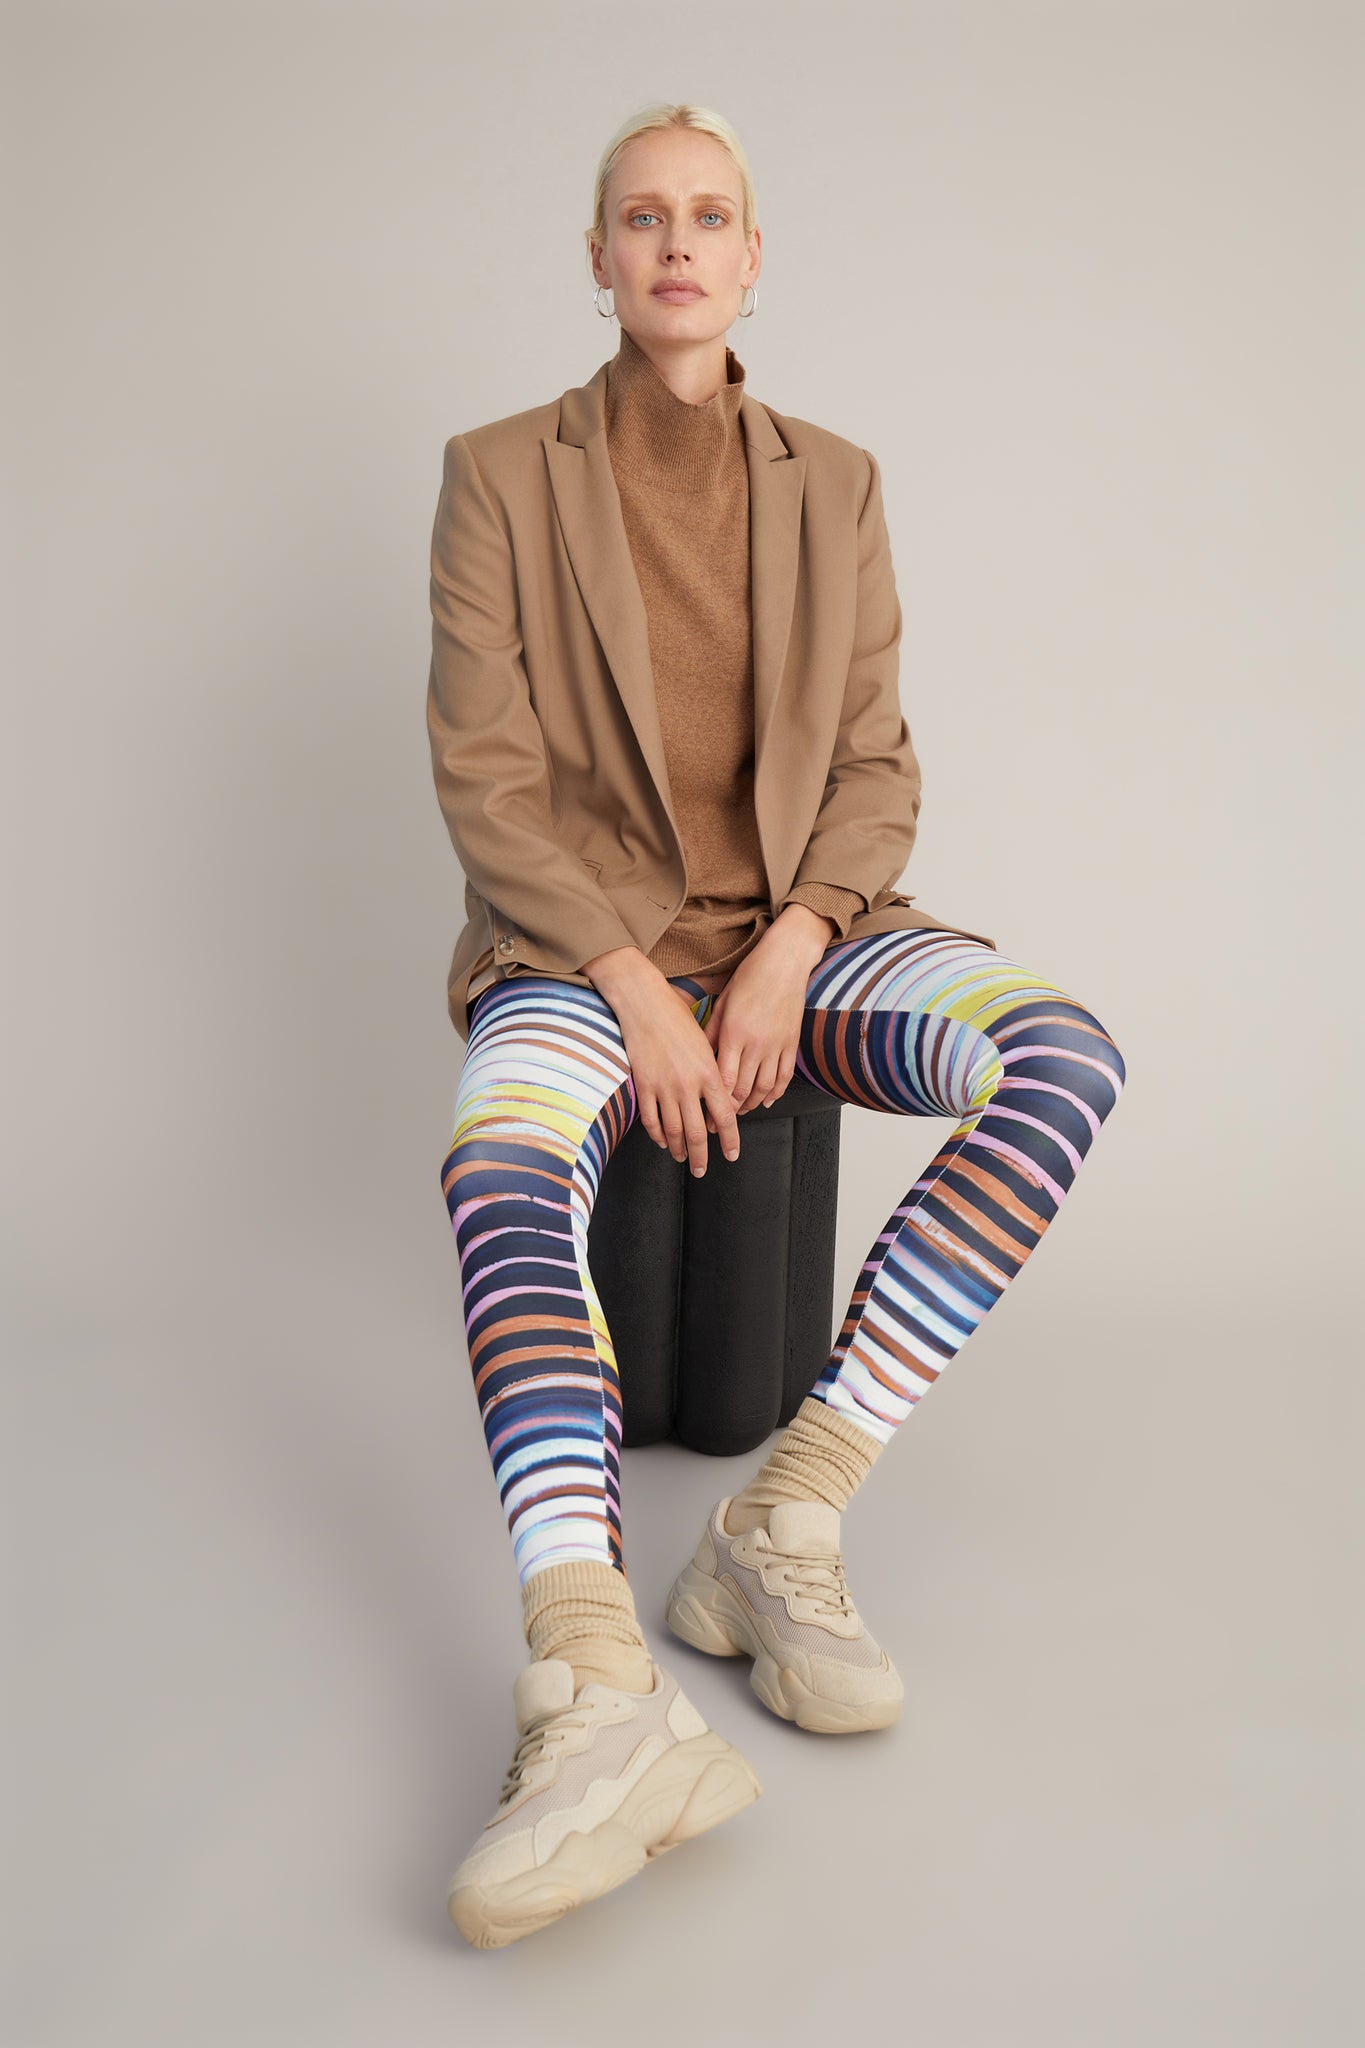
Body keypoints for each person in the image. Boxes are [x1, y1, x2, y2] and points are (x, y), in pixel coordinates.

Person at [428, 103, 1126, 1949]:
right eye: (640, 217)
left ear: (752, 260)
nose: (675, 244)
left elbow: (875, 764)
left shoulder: (837, 480)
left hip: (799, 960)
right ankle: (593, 1680)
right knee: (496, 1171)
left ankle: (781, 1520)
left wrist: (793, 943)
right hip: (577, 966)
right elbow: (487, 784)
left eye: (709, 216)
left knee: (1059, 1057)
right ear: (597, 257)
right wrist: (635, 984)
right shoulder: (498, 474)